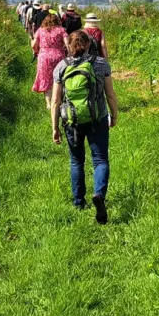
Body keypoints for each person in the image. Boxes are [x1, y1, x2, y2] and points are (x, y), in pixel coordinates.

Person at [51, 30, 119, 224]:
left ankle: (78, 202)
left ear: (68, 46)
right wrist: (114, 114)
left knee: (76, 161)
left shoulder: (61, 66)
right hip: (97, 117)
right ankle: (99, 194)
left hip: (72, 120)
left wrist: (54, 127)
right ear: (89, 45)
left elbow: (55, 101)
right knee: (100, 160)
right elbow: (110, 94)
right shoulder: (100, 64)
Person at [31, 13, 67, 110]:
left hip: (44, 56)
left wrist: (37, 51)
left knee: (46, 79)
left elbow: (33, 44)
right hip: (58, 56)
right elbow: (67, 44)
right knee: (59, 79)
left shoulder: (40, 30)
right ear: (57, 21)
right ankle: (58, 101)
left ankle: (49, 104)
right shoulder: (61, 30)